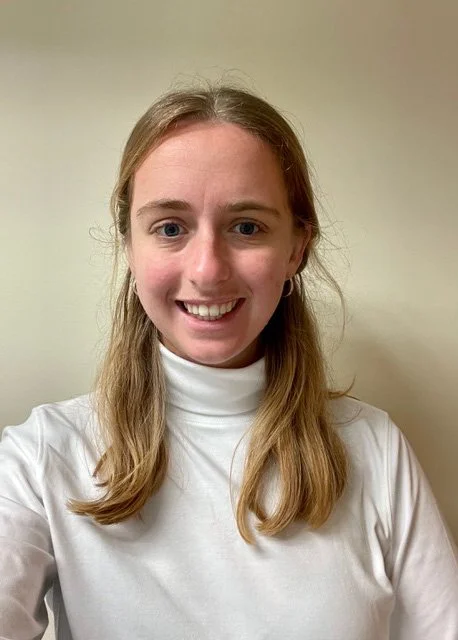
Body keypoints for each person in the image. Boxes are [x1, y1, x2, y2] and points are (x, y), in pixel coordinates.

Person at [0, 84, 457, 640]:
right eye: (170, 228)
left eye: (247, 227)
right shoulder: (42, 457)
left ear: (296, 248)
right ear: (130, 247)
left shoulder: (375, 449)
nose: (208, 270)